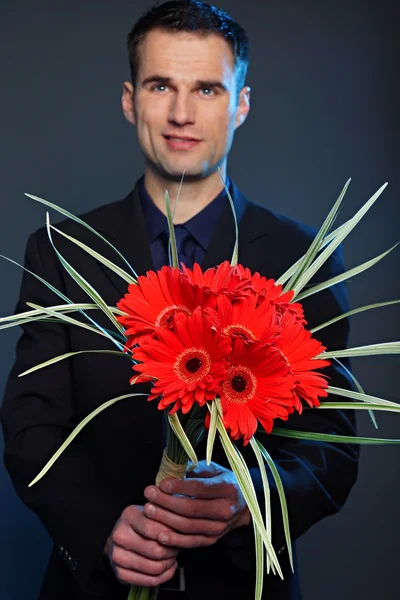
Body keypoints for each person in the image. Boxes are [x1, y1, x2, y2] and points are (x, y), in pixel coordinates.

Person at [0, 1, 359, 599]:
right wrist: (104, 532)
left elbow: (333, 445)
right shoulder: (61, 250)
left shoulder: (305, 256)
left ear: (241, 104)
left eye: (208, 90)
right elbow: (31, 423)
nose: (181, 113)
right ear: (129, 99)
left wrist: (252, 501)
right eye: (161, 84)